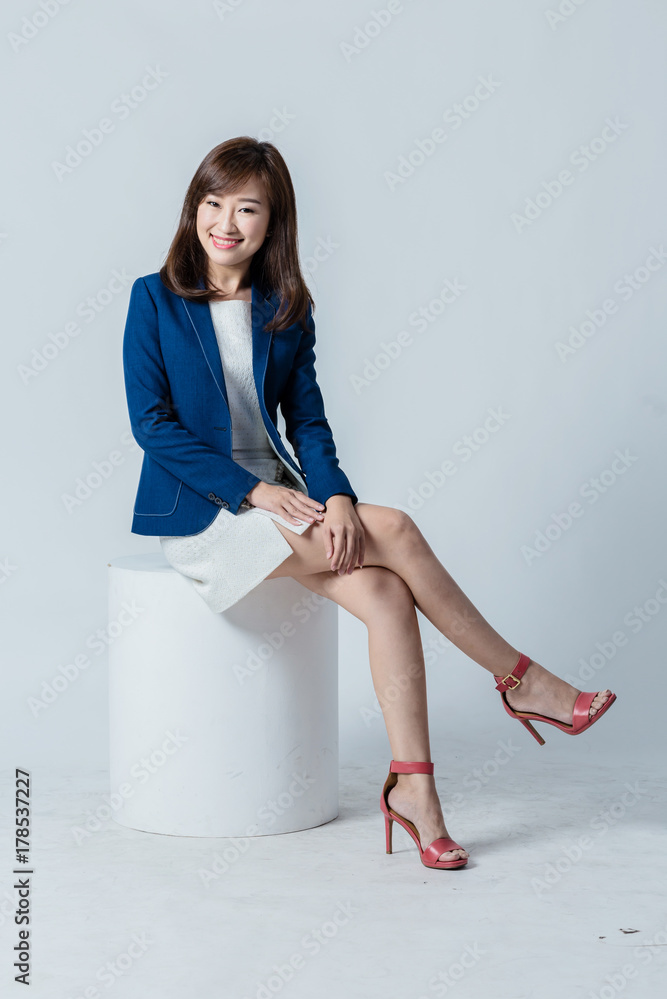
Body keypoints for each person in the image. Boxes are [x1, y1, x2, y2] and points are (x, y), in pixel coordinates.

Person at [122, 136, 616, 872]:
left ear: (272, 221)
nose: (225, 222)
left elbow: (308, 422)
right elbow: (151, 424)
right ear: (194, 207)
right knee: (402, 531)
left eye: (247, 208)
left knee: (385, 592)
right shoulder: (153, 297)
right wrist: (253, 490)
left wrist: (337, 498)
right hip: (209, 514)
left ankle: (415, 793)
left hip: (286, 507)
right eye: (213, 202)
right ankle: (524, 683)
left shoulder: (286, 307)